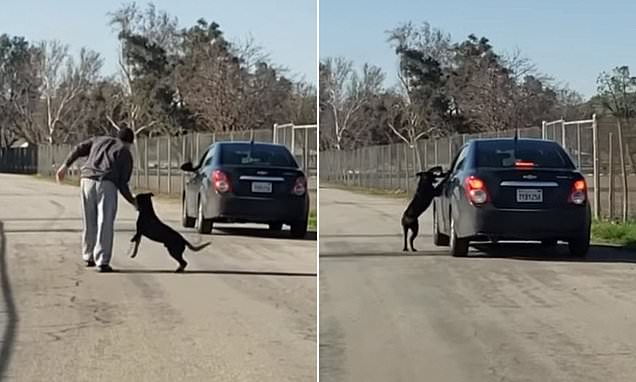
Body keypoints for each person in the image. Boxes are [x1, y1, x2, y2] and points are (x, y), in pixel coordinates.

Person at [56, 128, 137, 272]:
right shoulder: (124, 152)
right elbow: (123, 183)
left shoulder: (99, 140)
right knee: (104, 222)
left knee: (89, 220)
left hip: (86, 180)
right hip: (106, 182)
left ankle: (88, 255)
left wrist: (65, 166)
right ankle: (102, 261)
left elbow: (79, 149)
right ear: (130, 142)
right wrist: (132, 201)